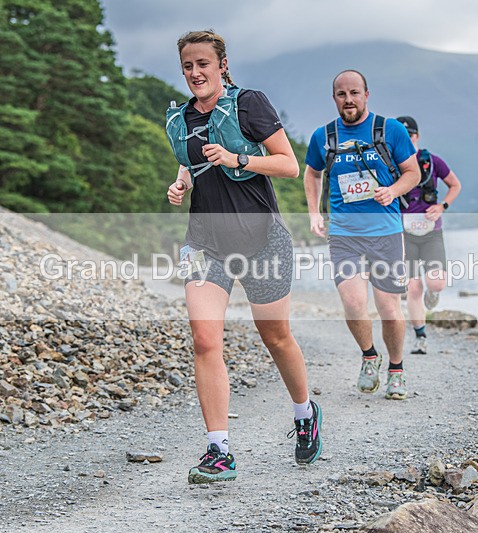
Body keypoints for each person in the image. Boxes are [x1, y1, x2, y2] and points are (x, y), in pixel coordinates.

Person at [165, 30, 322, 484]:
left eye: (203, 64)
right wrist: (182, 182)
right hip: (204, 244)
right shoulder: (182, 117)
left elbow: (288, 164)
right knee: (204, 340)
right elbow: (191, 160)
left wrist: (237, 159)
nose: (195, 73)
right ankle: (219, 450)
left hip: (262, 240)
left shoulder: (249, 103)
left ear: (222, 65)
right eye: (188, 66)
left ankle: (305, 413)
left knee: (276, 336)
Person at [303, 70, 421, 400]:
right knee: (354, 303)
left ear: (366, 94)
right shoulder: (324, 136)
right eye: (342, 94)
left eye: (354, 93)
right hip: (344, 234)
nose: (349, 100)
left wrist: (392, 190)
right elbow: (312, 174)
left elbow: (413, 173)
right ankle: (370, 356)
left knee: (388, 308)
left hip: (385, 232)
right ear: (334, 98)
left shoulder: (390, 130)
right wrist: (314, 213)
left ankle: (396, 369)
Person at [396, 116, 462, 355]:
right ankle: (420, 336)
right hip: (404, 234)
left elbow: (455, 185)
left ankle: (433, 293)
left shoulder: (432, 162)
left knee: (436, 282)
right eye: (402, 137)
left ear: (417, 136)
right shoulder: (391, 165)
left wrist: (442, 206)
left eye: (410, 136)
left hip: (431, 232)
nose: (407, 140)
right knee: (413, 288)